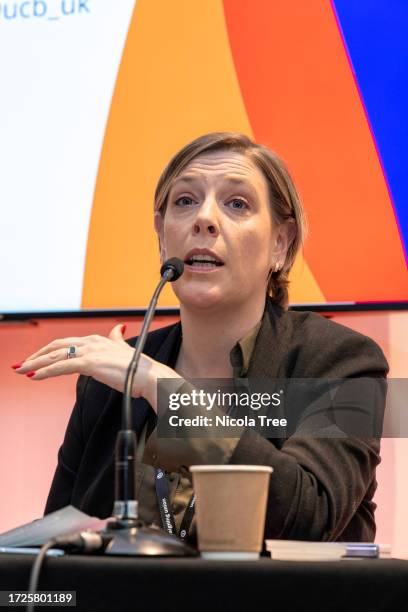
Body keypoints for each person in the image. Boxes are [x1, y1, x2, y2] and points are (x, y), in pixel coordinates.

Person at [12, 132, 388, 542]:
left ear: (281, 243)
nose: (204, 219)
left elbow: (307, 518)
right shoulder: (106, 384)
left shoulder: (343, 360)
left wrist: (162, 388)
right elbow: (51, 559)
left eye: (237, 204)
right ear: (161, 236)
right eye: (185, 201)